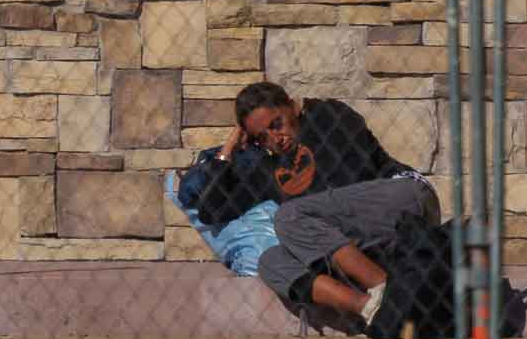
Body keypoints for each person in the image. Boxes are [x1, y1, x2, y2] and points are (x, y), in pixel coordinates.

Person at [177, 80, 439, 326]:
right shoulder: (267, 168)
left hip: (402, 196)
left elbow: (354, 177)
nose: (275, 138)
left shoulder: (326, 115)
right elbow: (210, 211)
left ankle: (392, 295)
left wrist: (309, 233)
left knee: (289, 217)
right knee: (270, 261)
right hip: (354, 241)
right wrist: (229, 150)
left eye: (277, 124)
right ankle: (371, 308)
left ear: (291, 106)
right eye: (262, 136)